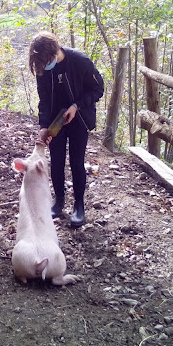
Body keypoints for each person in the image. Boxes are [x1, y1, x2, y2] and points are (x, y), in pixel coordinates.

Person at [29, 31, 104, 228]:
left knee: (77, 162)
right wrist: (44, 126)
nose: (45, 66)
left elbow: (98, 89)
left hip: (79, 118)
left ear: (54, 51)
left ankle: (79, 206)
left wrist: (76, 106)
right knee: (57, 161)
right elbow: (44, 100)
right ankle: (59, 201)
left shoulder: (80, 61)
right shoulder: (43, 69)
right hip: (56, 122)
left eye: (46, 61)